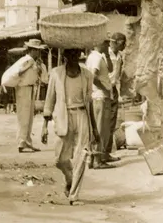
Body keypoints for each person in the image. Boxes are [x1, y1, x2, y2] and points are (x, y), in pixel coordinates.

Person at [44, 48, 97, 205]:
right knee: (59, 159)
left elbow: (89, 102)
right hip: (63, 116)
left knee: (82, 155)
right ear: (65, 56)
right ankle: (69, 177)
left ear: (79, 55)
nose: (73, 57)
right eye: (70, 55)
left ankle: (74, 195)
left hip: (82, 115)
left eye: (76, 54)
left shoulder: (87, 75)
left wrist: (94, 127)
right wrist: (44, 127)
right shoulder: (56, 74)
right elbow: (49, 100)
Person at [9, 39, 48, 153]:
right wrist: (29, 67)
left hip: (31, 88)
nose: (39, 53)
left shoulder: (35, 62)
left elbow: (43, 79)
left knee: (29, 116)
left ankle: (27, 141)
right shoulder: (26, 60)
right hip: (23, 88)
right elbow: (18, 72)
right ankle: (22, 141)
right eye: (37, 50)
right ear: (32, 50)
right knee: (24, 116)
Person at [85, 40, 116, 169]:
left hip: (98, 96)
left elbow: (110, 68)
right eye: (105, 44)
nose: (107, 46)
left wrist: (107, 56)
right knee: (100, 128)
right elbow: (94, 77)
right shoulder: (96, 58)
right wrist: (104, 89)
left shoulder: (97, 57)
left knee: (98, 128)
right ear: (99, 44)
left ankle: (93, 159)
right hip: (100, 97)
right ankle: (98, 160)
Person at [106, 32, 126, 161]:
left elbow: (117, 77)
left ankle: (106, 152)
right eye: (124, 42)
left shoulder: (119, 56)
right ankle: (101, 153)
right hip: (105, 89)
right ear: (118, 42)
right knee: (104, 122)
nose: (125, 45)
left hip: (113, 89)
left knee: (111, 122)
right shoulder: (105, 54)